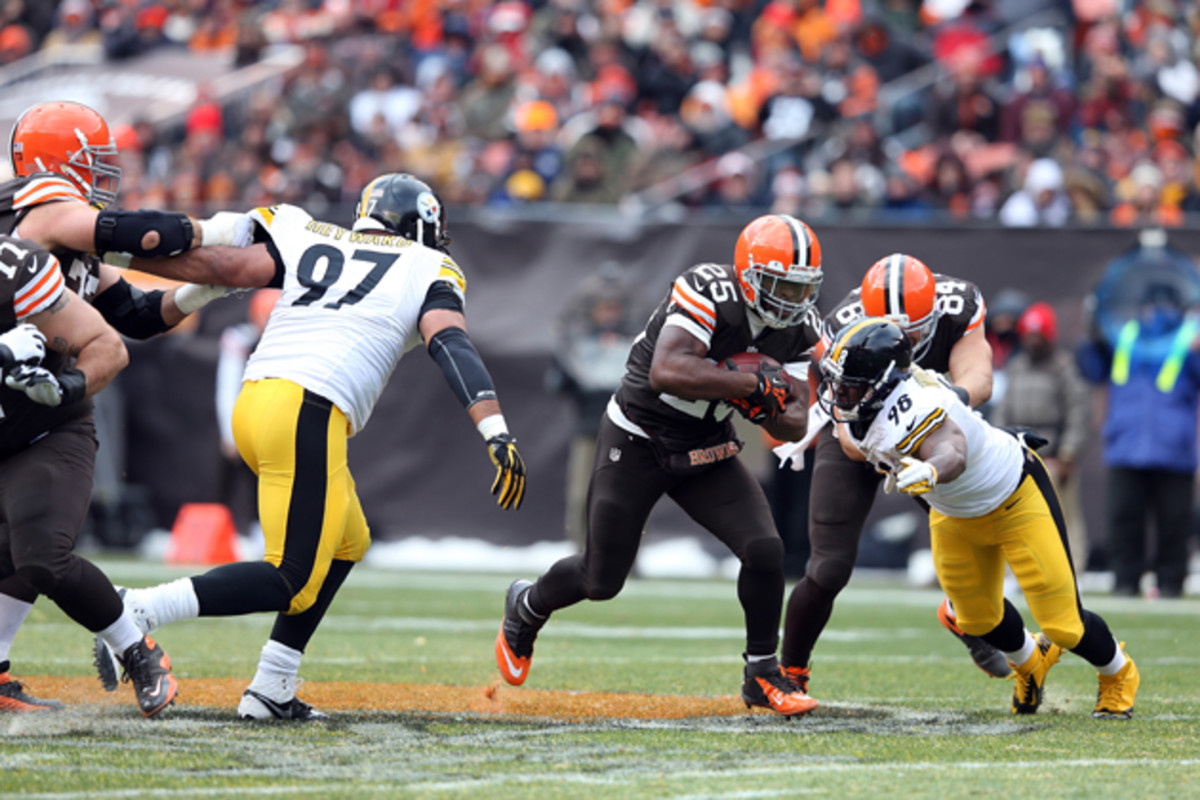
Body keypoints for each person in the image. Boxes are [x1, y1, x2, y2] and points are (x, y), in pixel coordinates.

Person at [95, 173, 528, 720]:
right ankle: (137, 610)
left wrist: (99, 239)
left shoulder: (308, 232)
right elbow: (450, 342)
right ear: (420, 224)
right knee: (291, 577)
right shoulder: (428, 266)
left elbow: (223, 267)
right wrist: (495, 429)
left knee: (349, 541)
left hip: (260, 401)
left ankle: (272, 687)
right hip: (308, 408)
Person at [496, 214, 823, 716]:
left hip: (707, 444)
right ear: (749, 274)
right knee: (600, 580)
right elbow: (667, 370)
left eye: (801, 290)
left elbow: (795, 424)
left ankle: (761, 673)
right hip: (639, 437)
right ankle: (527, 605)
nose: (791, 301)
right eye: (781, 285)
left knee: (764, 548)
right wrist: (751, 386)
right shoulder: (709, 289)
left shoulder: (798, 327)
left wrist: (775, 405)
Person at [0, 101, 250, 716]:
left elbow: (137, 318)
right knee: (14, 551)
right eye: (92, 159)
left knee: (39, 553)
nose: (102, 174)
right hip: (12, 395)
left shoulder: (60, 234)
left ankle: (136, 647)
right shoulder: (45, 210)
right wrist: (217, 233)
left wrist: (202, 290)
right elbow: (133, 232)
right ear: (57, 162)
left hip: (53, 409)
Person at [818, 318, 1140, 719]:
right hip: (954, 512)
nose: (839, 392)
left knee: (1064, 626)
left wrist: (933, 470)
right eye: (837, 381)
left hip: (1013, 497)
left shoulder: (914, 405)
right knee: (975, 618)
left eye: (850, 383)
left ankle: (1118, 674)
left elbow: (952, 448)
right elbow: (853, 439)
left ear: (884, 382)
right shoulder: (869, 404)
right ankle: (1031, 661)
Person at [774, 253, 1012, 701]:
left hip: (925, 425)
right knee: (828, 567)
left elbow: (979, 379)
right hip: (858, 432)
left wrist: (941, 408)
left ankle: (966, 614)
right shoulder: (841, 326)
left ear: (934, 314)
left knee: (977, 535)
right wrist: (889, 453)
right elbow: (846, 437)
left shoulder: (956, 303)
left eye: (915, 331)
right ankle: (790, 671)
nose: (905, 341)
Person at [1076, 237, 1200, 598]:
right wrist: (1091, 330)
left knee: (1173, 524)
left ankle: (1171, 582)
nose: (1155, 310)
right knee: (1124, 521)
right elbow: (1091, 367)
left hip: (1172, 450)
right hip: (1127, 446)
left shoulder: (1186, 343)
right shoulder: (1123, 339)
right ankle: (1126, 581)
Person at [545, 263, 642, 550]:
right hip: (588, 429)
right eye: (604, 308)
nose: (610, 314)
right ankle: (581, 552)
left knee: (630, 494)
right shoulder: (580, 345)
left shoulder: (635, 344)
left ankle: (629, 556)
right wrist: (563, 374)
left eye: (614, 308)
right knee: (580, 494)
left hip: (628, 431)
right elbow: (560, 384)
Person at [991, 302, 1093, 571]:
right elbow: (1003, 409)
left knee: (1064, 517)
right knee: (1015, 516)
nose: (1034, 341)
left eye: (1039, 335)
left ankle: (1073, 570)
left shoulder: (1064, 367)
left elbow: (1078, 412)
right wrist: (999, 444)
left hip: (1054, 454)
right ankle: (1019, 573)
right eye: (1030, 335)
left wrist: (1068, 453)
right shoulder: (1017, 367)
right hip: (1018, 454)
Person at [215, 288, 282, 539]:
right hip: (246, 417)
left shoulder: (293, 342)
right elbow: (227, 384)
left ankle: (266, 531)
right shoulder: (240, 340)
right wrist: (229, 431)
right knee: (232, 476)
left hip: (276, 419)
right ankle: (223, 532)